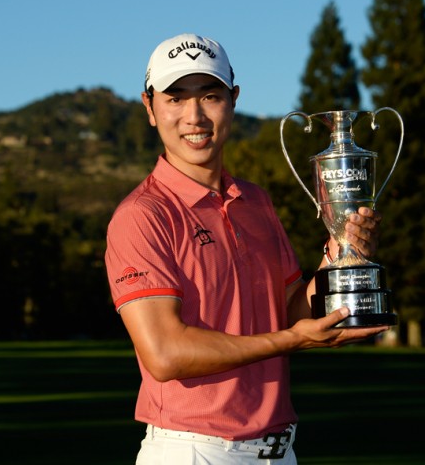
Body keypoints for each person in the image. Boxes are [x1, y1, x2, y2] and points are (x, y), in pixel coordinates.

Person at [104, 33, 387, 465]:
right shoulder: (143, 215)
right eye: (175, 98)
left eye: (210, 95)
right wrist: (291, 340)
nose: (193, 116)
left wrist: (339, 254)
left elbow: (292, 309)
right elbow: (165, 354)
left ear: (233, 100)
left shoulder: (254, 201)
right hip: (193, 451)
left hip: (279, 450)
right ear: (149, 107)